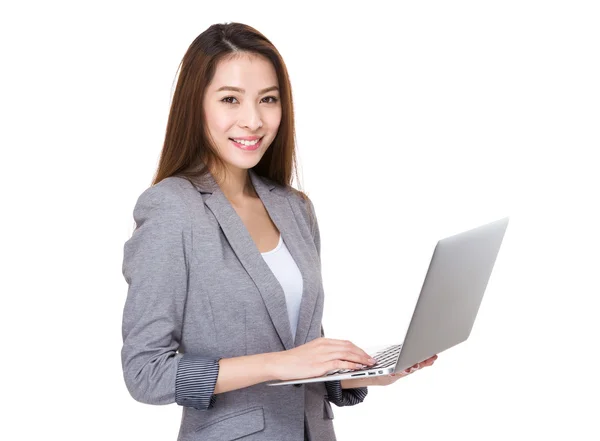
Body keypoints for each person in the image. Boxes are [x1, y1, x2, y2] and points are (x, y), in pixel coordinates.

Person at [121, 22, 437, 441]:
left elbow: (304, 358)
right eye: (230, 99)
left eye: (268, 100)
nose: (252, 120)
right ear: (195, 106)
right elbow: (146, 374)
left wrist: (362, 374)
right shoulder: (172, 208)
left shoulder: (294, 208)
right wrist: (276, 362)